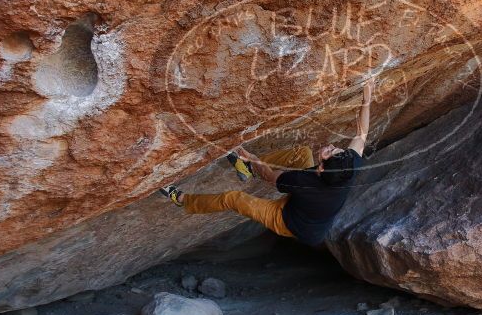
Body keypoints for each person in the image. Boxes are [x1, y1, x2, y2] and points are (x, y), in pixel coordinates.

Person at [159, 78, 374, 246]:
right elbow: (362, 134)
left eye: (329, 152)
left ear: (320, 169)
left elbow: (269, 176)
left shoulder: (303, 181)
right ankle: (245, 167)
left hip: (290, 222)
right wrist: (367, 98)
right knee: (302, 153)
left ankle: (182, 199)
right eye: (335, 148)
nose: (331, 146)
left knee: (233, 198)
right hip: (308, 208)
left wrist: (251, 158)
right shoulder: (348, 167)